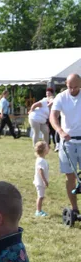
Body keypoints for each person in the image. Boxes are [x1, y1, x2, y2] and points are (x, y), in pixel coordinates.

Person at [50, 73, 81, 214]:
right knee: (70, 176)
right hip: (67, 142)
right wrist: (60, 131)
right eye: (70, 87)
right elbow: (53, 116)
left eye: (75, 87)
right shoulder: (61, 97)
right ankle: (75, 209)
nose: (73, 90)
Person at [33, 140, 49, 217]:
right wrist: (44, 181)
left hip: (40, 182)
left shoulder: (42, 160)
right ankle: (38, 211)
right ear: (43, 150)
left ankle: (39, 210)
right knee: (40, 196)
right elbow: (40, 171)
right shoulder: (41, 161)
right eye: (47, 147)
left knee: (41, 196)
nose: (48, 148)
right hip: (40, 182)